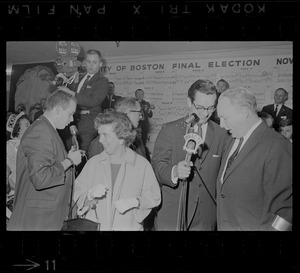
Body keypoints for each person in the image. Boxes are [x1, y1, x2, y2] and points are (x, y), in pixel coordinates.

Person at [152, 79, 229, 231]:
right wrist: (174, 171)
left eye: (211, 108)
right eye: (200, 107)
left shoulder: (222, 134)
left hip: (206, 215)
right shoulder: (170, 130)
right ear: (189, 102)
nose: (205, 113)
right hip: (172, 214)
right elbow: (157, 166)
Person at [216, 87, 292, 231]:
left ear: (244, 112)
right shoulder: (231, 141)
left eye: (224, 118)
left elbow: (285, 211)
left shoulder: (277, 145)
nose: (222, 125)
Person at [7, 90, 84, 230]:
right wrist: (69, 161)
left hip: (44, 217)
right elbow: (41, 177)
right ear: (58, 109)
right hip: (38, 219)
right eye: (71, 113)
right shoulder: (41, 131)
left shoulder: (47, 129)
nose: (71, 119)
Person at [73, 111, 161, 230]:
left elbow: (154, 197)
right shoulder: (93, 163)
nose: (100, 140)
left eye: (105, 135)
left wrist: (135, 202)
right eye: (100, 135)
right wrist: (89, 195)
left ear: (121, 139)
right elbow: (76, 194)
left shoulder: (141, 165)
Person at [59, 49, 109, 152]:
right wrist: (61, 80)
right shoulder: (78, 77)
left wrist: (71, 93)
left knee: (82, 154)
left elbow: (92, 101)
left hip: (88, 124)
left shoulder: (102, 81)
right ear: (85, 62)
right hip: (71, 121)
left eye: (94, 62)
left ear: (100, 64)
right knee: (69, 152)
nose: (91, 65)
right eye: (88, 61)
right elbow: (65, 93)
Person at [6, 111, 31, 223]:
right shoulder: (11, 146)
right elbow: (9, 174)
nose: (30, 127)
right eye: (27, 125)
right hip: (16, 193)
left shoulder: (30, 145)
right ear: (18, 129)